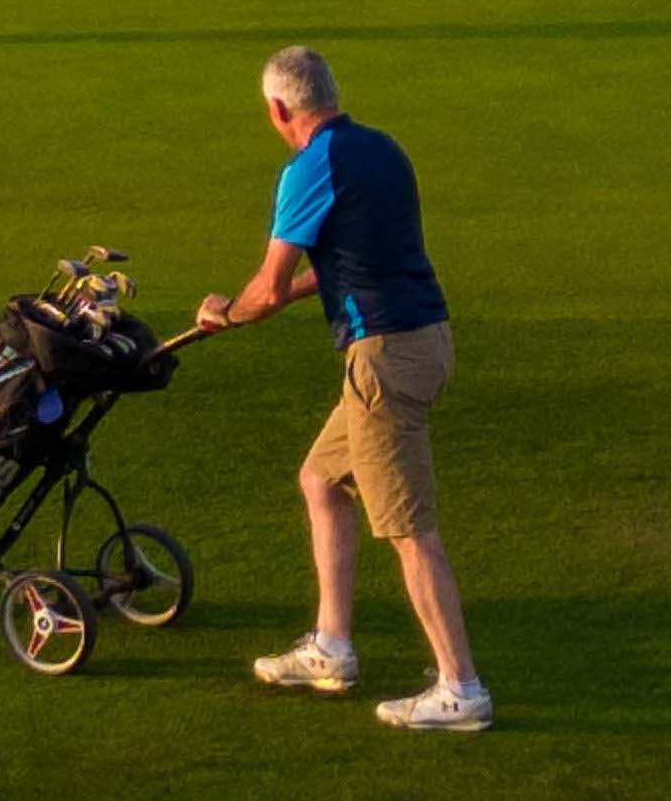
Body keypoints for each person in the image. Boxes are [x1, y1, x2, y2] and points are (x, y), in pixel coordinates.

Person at [195, 45, 488, 733]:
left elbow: (266, 287)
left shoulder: (307, 168)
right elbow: (347, 266)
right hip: (421, 342)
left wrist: (222, 313)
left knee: (410, 530)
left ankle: (460, 687)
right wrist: (276, 299)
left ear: (277, 109)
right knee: (321, 480)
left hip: (384, 360)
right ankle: (331, 648)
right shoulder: (382, 150)